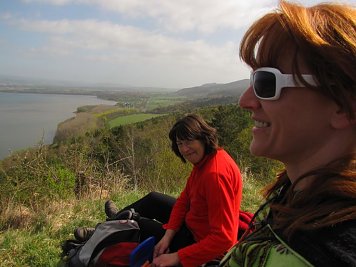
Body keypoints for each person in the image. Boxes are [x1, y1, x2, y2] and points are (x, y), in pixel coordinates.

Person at [220, 1, 356, 266]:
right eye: (253, 80)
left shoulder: (326, 251)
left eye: (266, 82)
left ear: (344, 106)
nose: (245, 101)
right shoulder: (296, 196)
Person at [75, 114, 243, 266]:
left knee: (138, 224)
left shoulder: (215, 175)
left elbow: (224, 239)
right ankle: (108, 225)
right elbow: (184, 200)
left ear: (203, 137)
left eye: (189, 141)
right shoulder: (206, 160)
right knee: (153, 199)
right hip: (195, 222)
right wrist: (168, 235)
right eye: (180, 144)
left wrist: (177, 256)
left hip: (200, 243)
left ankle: (111, 226)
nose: (184, 149)